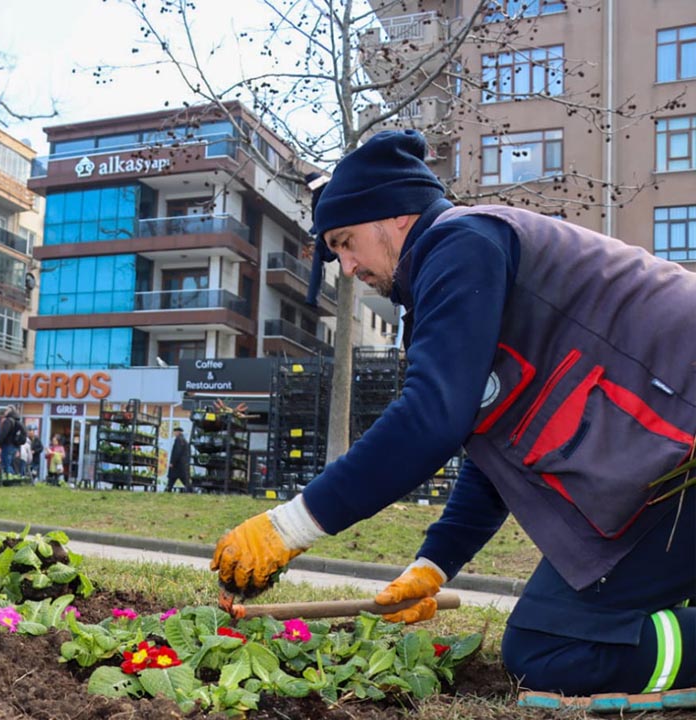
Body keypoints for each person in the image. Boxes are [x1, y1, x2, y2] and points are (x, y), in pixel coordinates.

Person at [211, 129, 696, 696]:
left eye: (345, 242)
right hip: (668, 464)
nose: (345, 267)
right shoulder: (462, 266)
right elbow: (491, 449)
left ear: (394, 216)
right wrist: (435, 564)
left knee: (552, 649)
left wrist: (289, 526)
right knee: (552, 640)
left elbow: (431, 419)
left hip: (679, 461)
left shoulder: (462, 243)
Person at [0, 406, 26, 476]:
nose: (4, 412)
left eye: (6, 410)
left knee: (6, 464)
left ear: (10, 411)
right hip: (15, 446)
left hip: (7, 446)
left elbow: (3, 434)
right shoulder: (17, 421)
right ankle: (13, 478)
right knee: (10, 463)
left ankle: (12, 479)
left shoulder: (8, 421)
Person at [166, 427, 190, 493]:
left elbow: (177, 452)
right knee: (181, 479)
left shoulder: (178, 440)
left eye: (175, 432)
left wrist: (172, 462)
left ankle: (168, 489)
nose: (174, 433)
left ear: (178, 432)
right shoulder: (184, 440)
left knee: (174, 478)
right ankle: (168, 489)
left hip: (178, 464)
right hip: (182, 464)